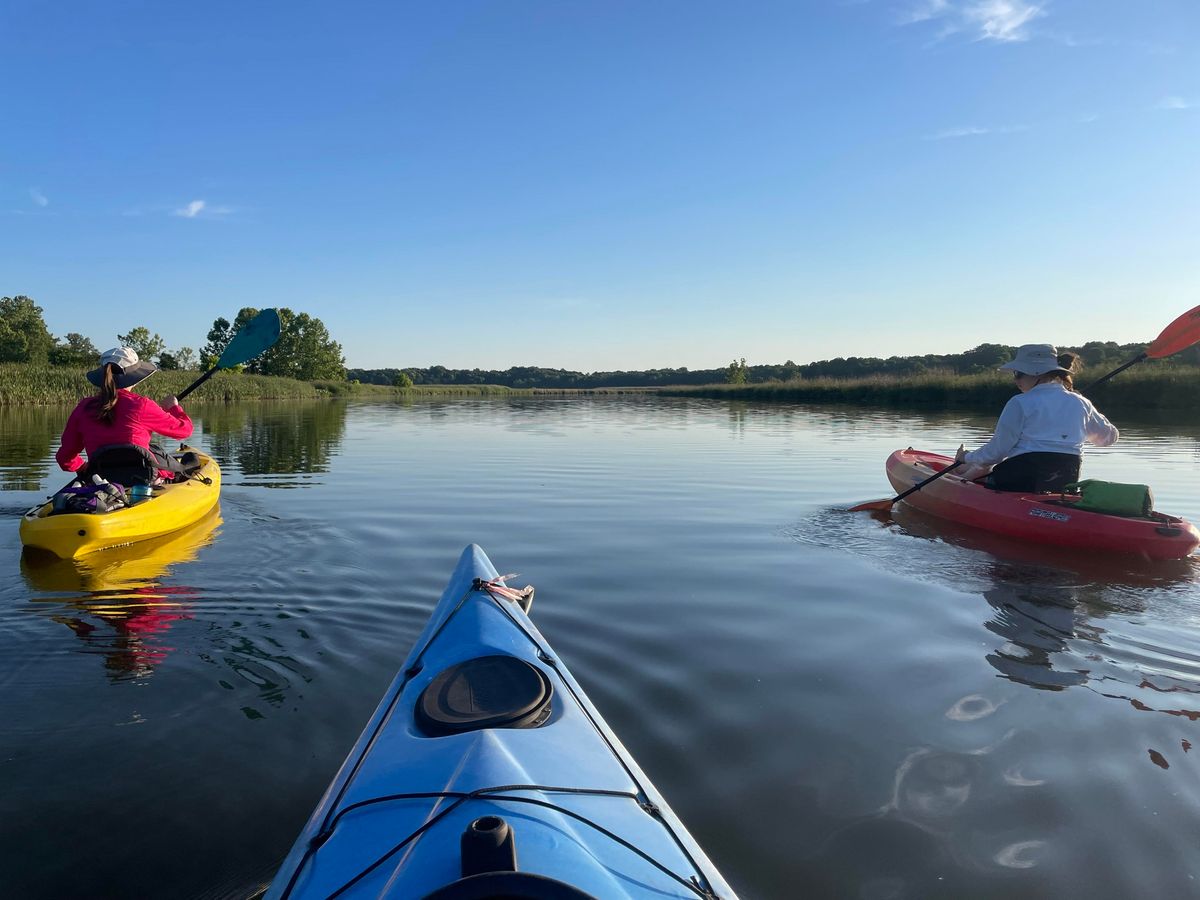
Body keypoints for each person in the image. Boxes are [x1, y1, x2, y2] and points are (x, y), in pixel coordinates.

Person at [955, 344, 1118, 492]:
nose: (1015, 379)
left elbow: (997, 452)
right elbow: (1109, 438)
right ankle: (964, 473)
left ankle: (959, 479)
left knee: (988, 465)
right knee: (989, 465)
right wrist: (1087, 407)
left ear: (1036, 373)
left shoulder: (1019, 402)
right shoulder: (1081, 403)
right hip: (1064, 480)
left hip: (1020, 480)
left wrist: (966, 457)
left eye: (1018, 373)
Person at [55, 347, 193, 481]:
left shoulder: (84, 408)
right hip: (143, 479)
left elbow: (65, 458)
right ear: (136, 377)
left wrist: (83, 467)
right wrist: (174, 407)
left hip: (100, 478)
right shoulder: (142, 405)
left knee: (154, 449)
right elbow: (184, 430)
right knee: (189, 461)